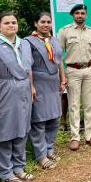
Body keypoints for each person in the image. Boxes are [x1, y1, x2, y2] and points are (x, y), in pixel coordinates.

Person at [0, 12, 34, 182]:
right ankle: (5, 172)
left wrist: (31, 86)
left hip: (23, 91)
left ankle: (18, 167)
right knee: (2, 130)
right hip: (1, 92)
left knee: (21, 129)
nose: (11, 25)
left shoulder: (24, 44)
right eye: (7, 23)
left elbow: (29, 69)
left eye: (14, 22)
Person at [25, 12, 66, 169]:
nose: (46, 24)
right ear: (36, 23)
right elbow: (27, 65)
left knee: (53, 119)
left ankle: (49, 147)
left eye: (48, 22)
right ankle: (40, 155)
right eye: (42, 22)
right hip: (38, 83)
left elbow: (59, 62)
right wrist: (31, 85)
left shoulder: (54, 41)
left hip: (53, 83)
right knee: (39, 120)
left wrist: (63, 78)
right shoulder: (28, 42)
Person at [58, 4, 91, 150]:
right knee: (74, 104)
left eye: (83, 13)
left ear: (86, 15)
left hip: (89, 69)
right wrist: (62, 75)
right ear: (72, 15)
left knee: (90, 104)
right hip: (72, 70)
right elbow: (58, 55)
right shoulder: (64, 31)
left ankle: (89, 136)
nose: (80, 15)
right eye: (77, 13)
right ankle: (75, 137)